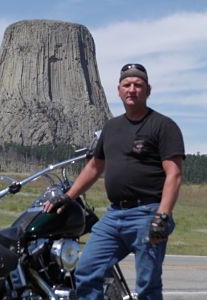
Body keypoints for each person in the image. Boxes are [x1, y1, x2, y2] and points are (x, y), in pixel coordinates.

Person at [44, 63, 185, 299]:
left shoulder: (163, 126)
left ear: (148, 90)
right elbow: (94, 167)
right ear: (118, 90)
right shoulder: (111, 127)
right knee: (86, 269)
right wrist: (69, 197)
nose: (132, 89)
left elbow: (174, 174)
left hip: (147, 213)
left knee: (147, 284)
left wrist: (163, 216)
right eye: (127, 85)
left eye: (138, 85)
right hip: (114, 216)